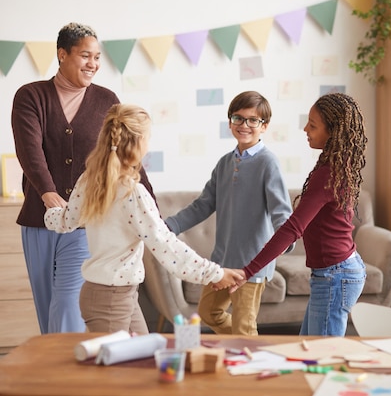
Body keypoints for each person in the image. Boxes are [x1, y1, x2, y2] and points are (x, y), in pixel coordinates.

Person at [43, 104, 243, 334]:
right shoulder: (131, 192)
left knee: (143, 358)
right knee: (116, 370)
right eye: (148, 138)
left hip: (112, 293)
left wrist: (51, 211)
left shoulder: (90, 179)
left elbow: (66, 221)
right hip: (111, 299)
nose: (148, 144)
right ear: (137, 142)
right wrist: (215, 273)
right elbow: (165, 245)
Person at [11, 22, 155, 334]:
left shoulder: (106, 100)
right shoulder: (31, 96)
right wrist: (48, 195)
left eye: (97, 57)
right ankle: (57, 375)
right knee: (47, 305)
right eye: (85, 56)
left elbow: (127, 155)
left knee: (67, 304)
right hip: (40, 219)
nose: (93, 64)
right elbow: (29, 150)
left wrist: (153, 209)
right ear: (62, 55)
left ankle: (72, 373)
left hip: (85, 221)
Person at [230, 92, 368, 336]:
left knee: (323, 357)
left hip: (335, 276)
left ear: (333, 131)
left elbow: (293, 228)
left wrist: (248, 271)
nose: (305, 129)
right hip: (338, 271)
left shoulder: (329, 173)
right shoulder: (336, 165)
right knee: (307, 350)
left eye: (313, 125)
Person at [165, 91, 293, 335]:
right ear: (230, 122)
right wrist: (168, 226)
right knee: (208, 312)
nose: (244, 125)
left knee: (244, 327)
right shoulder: (225, 163)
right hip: (222, 262)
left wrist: (285, 241)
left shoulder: (268, 163)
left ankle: (248, 362)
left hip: (252, 264)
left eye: (252, 120)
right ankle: (240, 347)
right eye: (238, 118)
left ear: (264, 126)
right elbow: (203, 204)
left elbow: (281, 212)